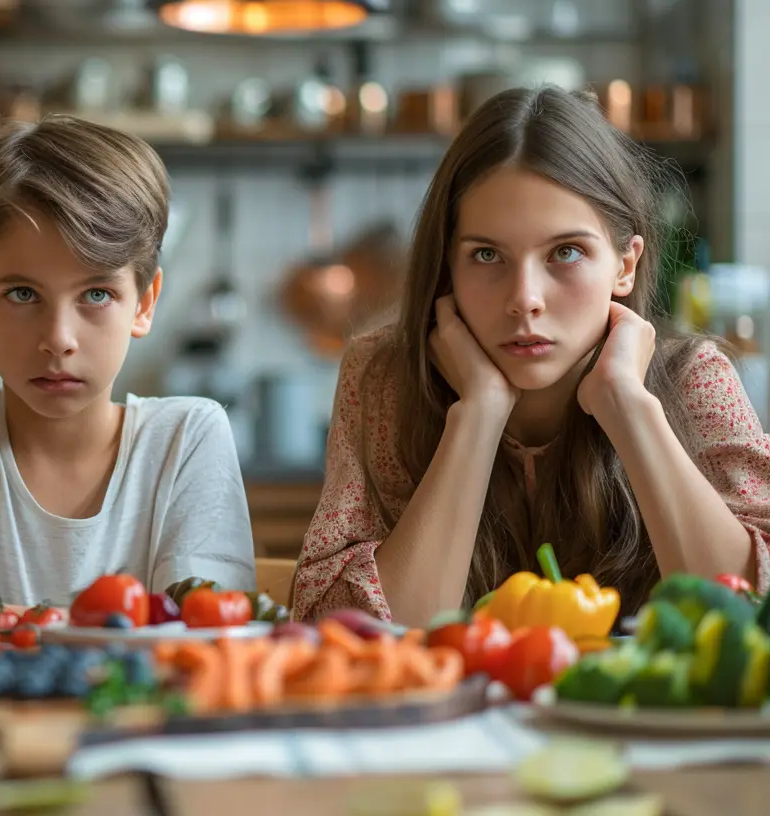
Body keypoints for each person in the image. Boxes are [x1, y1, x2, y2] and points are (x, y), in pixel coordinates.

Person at [294, 85, 770, 628]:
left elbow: (753, 621)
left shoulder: (693, 378)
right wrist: (476, 416)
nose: (525, 299)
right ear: (448, 267)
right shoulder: (383, 376)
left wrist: (629, 408)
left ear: (624, 264)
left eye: (566, 252)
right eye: (487, 254)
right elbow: (350, 636)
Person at [0, 115, 256, 617]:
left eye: (96, 294)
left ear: (144, 303)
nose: (58, 339)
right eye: (23, 294)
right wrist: (119, 629)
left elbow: (201, 642)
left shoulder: (187, 438)